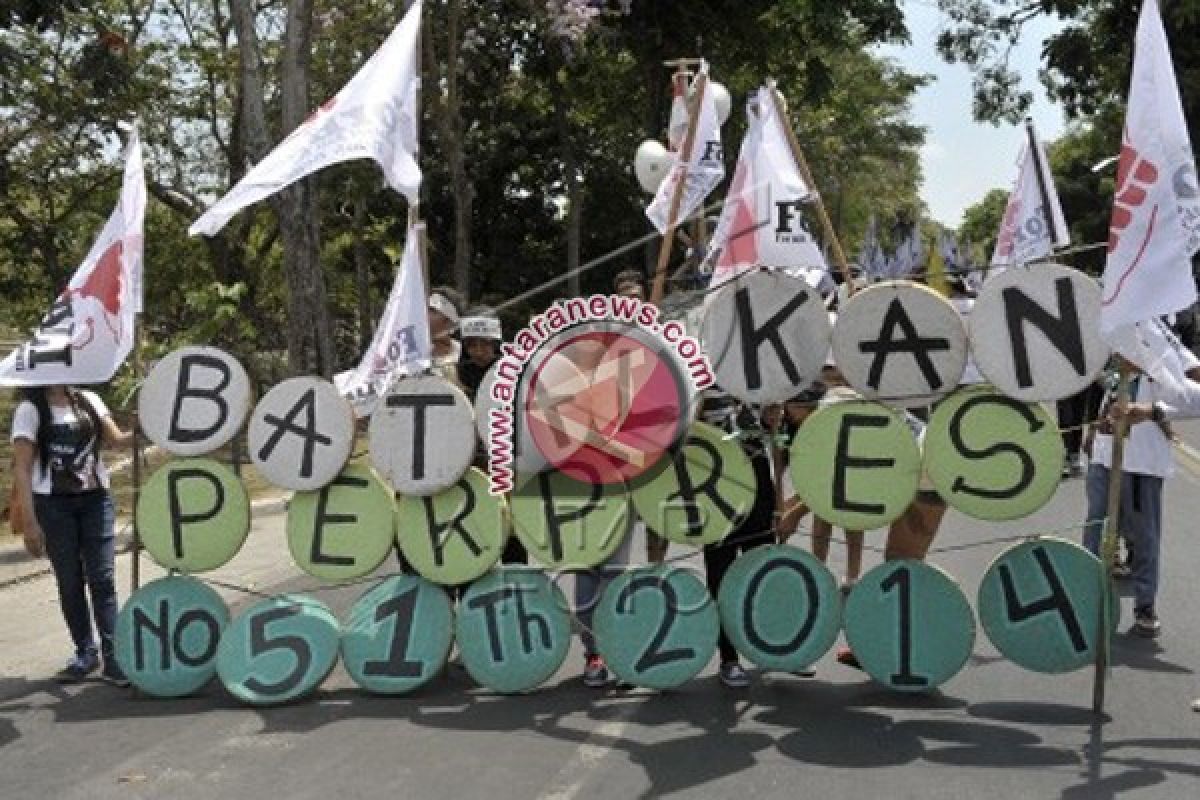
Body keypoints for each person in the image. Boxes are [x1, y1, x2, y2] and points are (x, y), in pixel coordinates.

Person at [10, 385, 132, 686]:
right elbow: (23, 469)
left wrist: (146, 428)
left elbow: (116, 442)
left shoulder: (88, 400)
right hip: (53, 505)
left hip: (96, 500)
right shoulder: (31, 410)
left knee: (103, 579)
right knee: (70, 580)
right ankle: (85, 652)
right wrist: (29, 522)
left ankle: (114, 658)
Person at [1086, 338, 1200, 638]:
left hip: (1140, 465)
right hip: (1103, 458)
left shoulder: (1163, 359)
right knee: (1095, 527)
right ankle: (1084, 595)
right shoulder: (1112, 355)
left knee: (1144, 535)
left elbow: (1193, 397)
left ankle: (1144, 605)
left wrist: (1152, 411)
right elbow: (1101, 392)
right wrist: (1092, 432)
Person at [701, 399, 778, 688]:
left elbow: (773, 438)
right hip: (716, 487)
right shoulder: (702, 380)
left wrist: (772, 420)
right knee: (721, 576)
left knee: (764, 571)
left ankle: (774, 649)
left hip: (758, 484)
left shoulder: (762, 383)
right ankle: (729, 658)